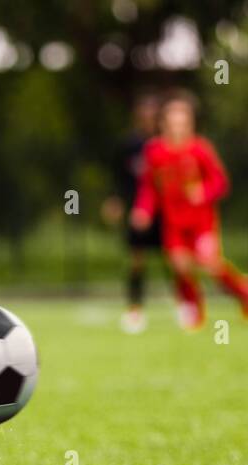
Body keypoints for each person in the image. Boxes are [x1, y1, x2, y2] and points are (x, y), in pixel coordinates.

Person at [130, 92, 248, 330]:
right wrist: (143, 209)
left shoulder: (200, 149)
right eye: (173, 122)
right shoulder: (155, 151)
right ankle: (194, 312)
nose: (178, 127)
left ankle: (244, 291)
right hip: (173, 222)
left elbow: (220, 182)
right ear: (164, 123)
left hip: (201, 222)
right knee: (179, 264)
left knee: (210, 264)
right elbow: (149, 187)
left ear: (190, 124)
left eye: (183, 123)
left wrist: (203, 191)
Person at [102, 93, 163, 334]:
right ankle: (135, 308)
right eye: (144, 114)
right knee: (137, 261)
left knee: (175, 259)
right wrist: (115, 200)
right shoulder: (129, 145)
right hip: (137, 212)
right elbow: (117, 176)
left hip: (165, 212)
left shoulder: (164, 144)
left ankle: (187, 306)